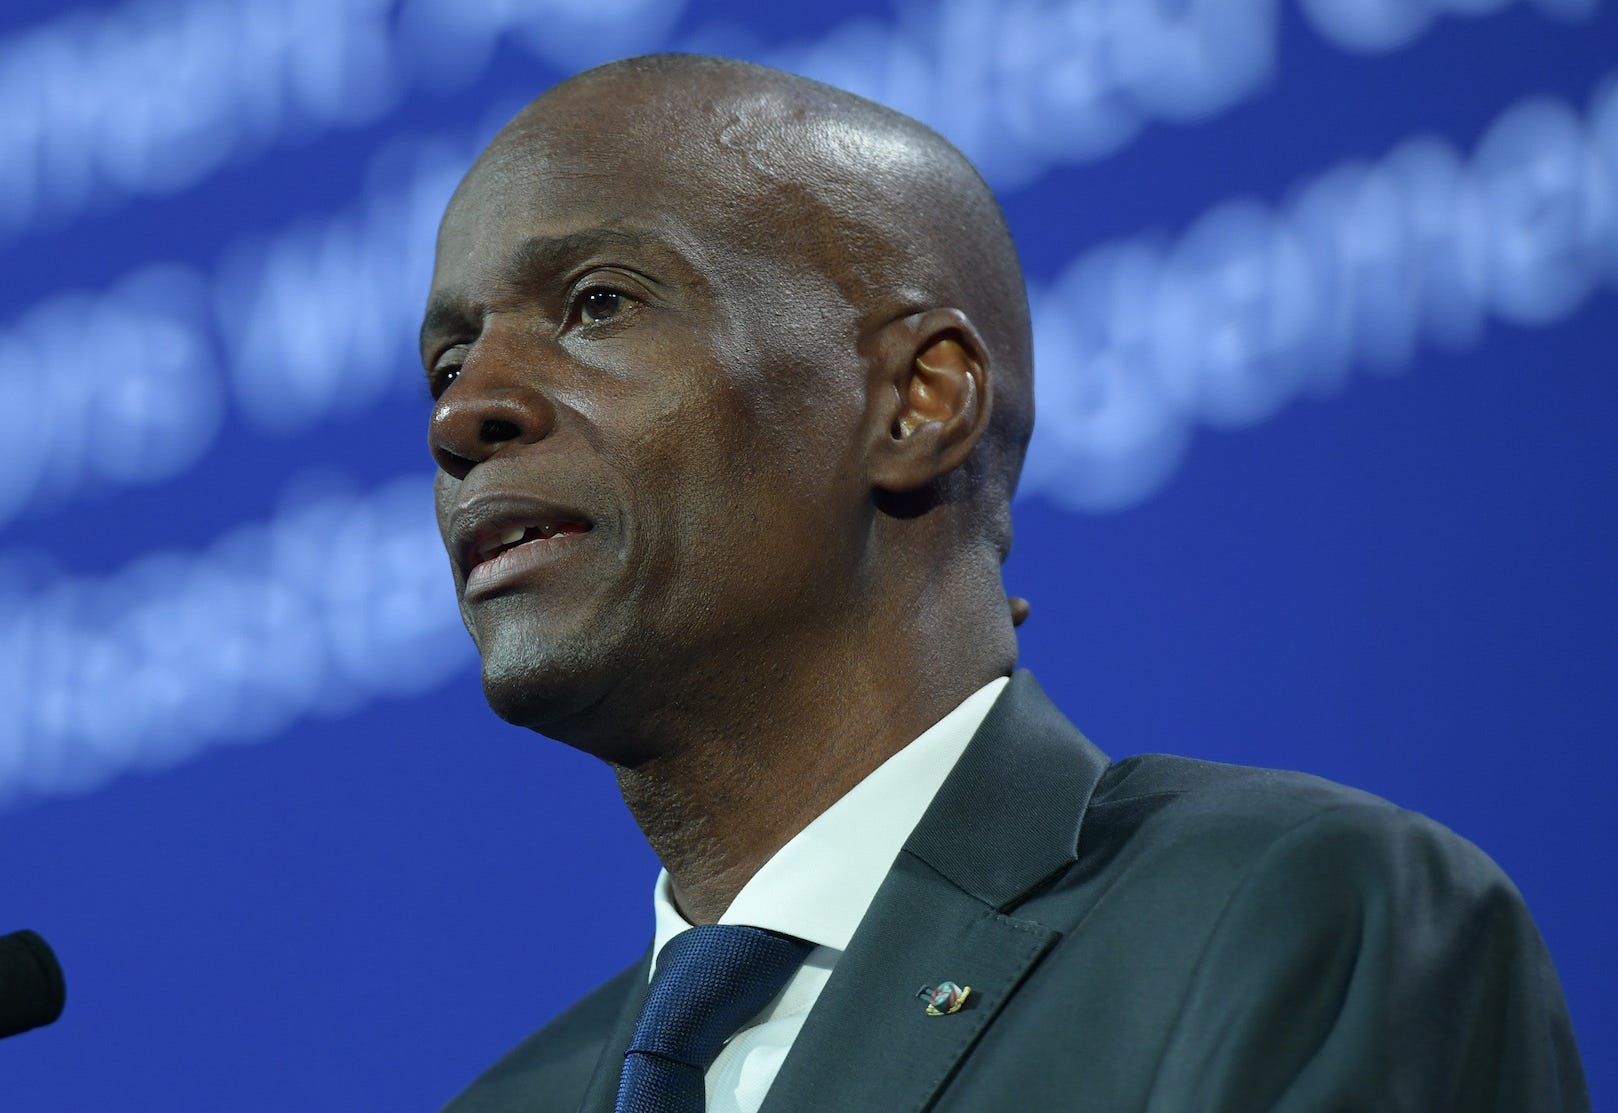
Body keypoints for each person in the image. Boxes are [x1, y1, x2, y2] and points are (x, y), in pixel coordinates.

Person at [421, 54, 1587, 1113]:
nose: (464, 413)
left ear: (919, 402)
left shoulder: (1281, 921)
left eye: (599, 304)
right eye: (450, 358)